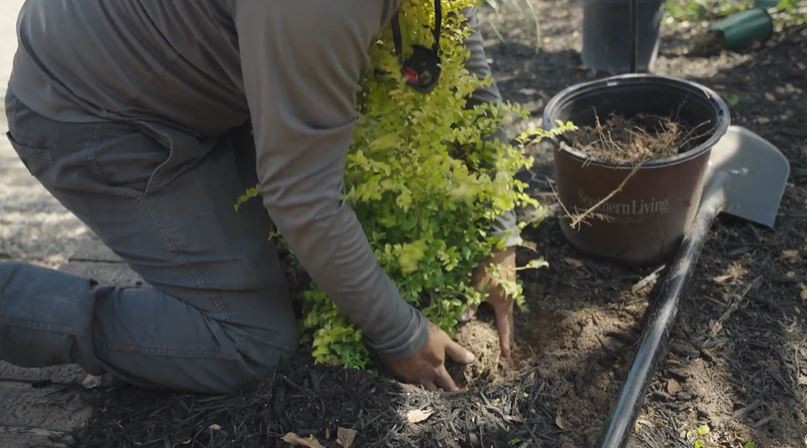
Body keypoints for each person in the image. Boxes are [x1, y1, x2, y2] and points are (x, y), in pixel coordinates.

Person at [0, 0, 519, 394]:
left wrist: (499, 231)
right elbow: (302, 198)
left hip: (175, 77)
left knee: (311, 263)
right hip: (94, 115)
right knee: (250, 342)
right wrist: (399, 334)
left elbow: (457, 50)